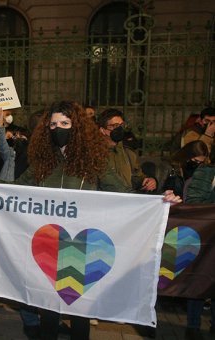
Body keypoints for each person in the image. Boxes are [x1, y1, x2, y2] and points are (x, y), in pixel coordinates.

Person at [13, 100, 180, 340]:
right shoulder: (42, 161)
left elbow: (124, 193)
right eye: (52, 124)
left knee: (80, 312)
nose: (57, 128)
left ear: (77, 126)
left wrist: (160, 200)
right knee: (49, 309)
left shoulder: (94, 160)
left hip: (81, 248)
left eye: (65, 123)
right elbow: (16, 190)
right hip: (49, 245)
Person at [183, 165, 215, 340]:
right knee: (201, 280)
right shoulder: (207, 172)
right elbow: (195, 204)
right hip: (208, 236)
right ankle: (193, 326)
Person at [97, 108, 157, 193]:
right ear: (102, 130)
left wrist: (148, 181)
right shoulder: (94, 153)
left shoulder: (128, 153)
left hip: (125, 200)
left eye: (121, 125)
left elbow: (136, 177)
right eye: (115, 126)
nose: (120, 129)